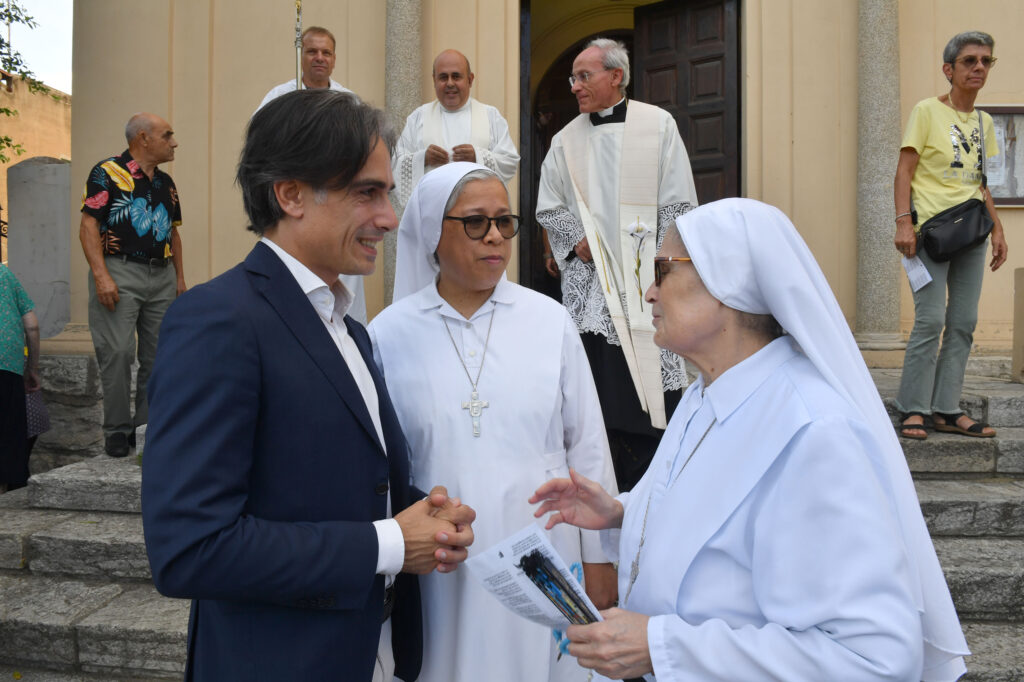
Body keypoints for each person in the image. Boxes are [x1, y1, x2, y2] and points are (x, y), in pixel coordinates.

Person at [531, 198, 970, 681]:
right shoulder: (706, 394)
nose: (650, 293)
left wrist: (663, 647)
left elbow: (872, 660)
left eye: (664, 269)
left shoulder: (815, 432)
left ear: (727, 283)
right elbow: (721, 525)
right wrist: (623, 514)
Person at [141, 90, 476, 681]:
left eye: (389, 194)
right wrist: (391, 544)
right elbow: (190, 548)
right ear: (291, 194)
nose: (389, 218)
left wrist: (425, 513)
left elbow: (341, 482)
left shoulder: (349, 329)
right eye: (366, 192)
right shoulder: (218, 319)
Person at [371, 162, 618, 681]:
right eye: (476, 222)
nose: (495, 237)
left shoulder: (548, 320)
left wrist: (600, 562)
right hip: (441, 564)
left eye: (505, 222)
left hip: (543, 550)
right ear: (433, 234)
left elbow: (588, 446)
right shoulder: (389, 333)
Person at [536, 37, 698, 491]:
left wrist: (662, 266)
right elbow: (548, 206)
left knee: (650, 403)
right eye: (572, 78)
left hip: (646, 284)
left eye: (583, 76)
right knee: (600, 398)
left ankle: (653, 484)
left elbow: (679, 202)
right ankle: (602, 481)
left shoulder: (658, 125)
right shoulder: (565, 140)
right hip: (593, 290)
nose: (574, 87)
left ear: (616, 76)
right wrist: (577, 241)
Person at [894, 31, 1008, 441]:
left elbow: (982, 183)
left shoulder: (985, 121)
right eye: (970, 61)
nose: (979, 67)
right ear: (950, 69)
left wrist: (997, 229)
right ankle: (913, 407)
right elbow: (904, 171)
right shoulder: (926, 111)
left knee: (963, 322)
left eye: (986, 61)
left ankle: (945, 408)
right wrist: (903, 222)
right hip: (930, 234)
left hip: (972, 233)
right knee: (930, 319)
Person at [79, 112, 186, 458]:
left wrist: (180, 280)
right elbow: (88, 225)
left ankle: (146, 429)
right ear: (143, 138)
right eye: (167, 135)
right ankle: (116, 430)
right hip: (119, 271)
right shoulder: (106, 173)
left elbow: (173, 232)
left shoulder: (166, 183)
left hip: (162, 274)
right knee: (119, 352)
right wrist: (100, 275)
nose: (174, 142)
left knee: (159, 356)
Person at [256, 25, 366, 323]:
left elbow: (361, 153)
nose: (319, 58)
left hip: (337, 202)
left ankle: (346, 336)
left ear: (334, 58)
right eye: (311, 51)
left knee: (342, 273)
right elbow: (259, 149)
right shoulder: (279, 98)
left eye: (325, 52)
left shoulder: (349, 102)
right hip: (294, 204)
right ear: (300, 56)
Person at [391, 50, 520, 216]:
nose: (450, 83)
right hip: (431, 213)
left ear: (470, 79)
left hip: (477, 214)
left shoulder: (490, 116)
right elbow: (395, 162)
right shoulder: (418, 117)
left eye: (456, 76)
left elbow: (509, 160)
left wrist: (478, 156)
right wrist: (422, 159)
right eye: (443, 77)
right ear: (434, 80)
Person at [0, 263, 40, 492]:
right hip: (7, 362)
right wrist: (32, 368)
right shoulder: (4, 274)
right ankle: (12, 491)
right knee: (10, 431)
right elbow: (32, 325)